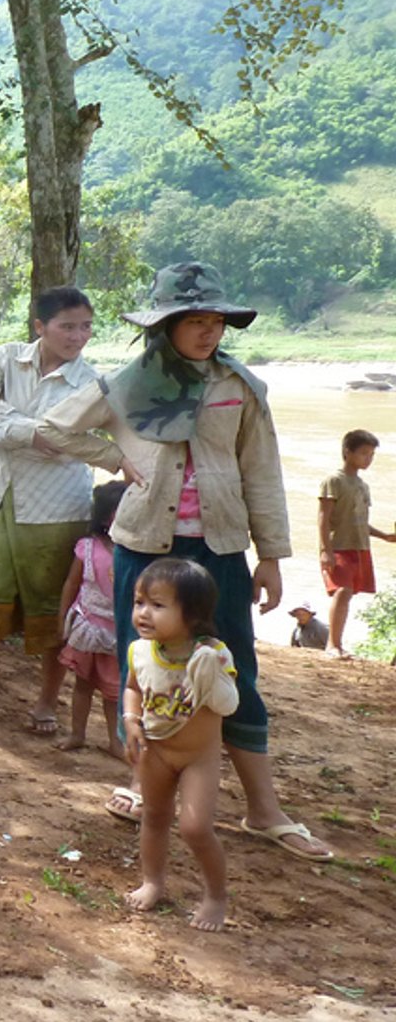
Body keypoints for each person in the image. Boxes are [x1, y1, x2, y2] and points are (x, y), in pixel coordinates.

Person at [39, 261, 333, 861]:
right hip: (144, 547)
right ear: (165, 325)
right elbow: (55, 427)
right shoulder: (124, 384)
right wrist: (115, 455)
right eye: (194, 321)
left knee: (233, 668)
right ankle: (140, 784)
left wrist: (272, 555)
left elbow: (262, 472)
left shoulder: (239, 386)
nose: (209, 332)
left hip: (220, 547)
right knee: (140, 664)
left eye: (217, 321)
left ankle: (262, 808)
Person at [0, 287, 102, 740]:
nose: (77, 336)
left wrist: (11, 427)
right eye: (67, 326)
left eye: (85, 326)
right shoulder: (7, 359)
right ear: (40, 326)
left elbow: (70, 440)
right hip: (2, 498)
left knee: (56, 608)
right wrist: (30, 434)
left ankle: (47, 702)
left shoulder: (91, 382)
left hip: (61, 506)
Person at [122, 557, 239, 932]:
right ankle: (153, 882)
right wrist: (131, 720)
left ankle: (216, 896)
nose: (144, 613)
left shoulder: (212, 654)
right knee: (153, 817)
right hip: (156, 749)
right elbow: (132, 688)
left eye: (158, 605)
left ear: (192, 614)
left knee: (195, 827)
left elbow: (226, 703)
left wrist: (213, 672)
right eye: (140, 603)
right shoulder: (140, 650)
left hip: (197, 758)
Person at [55, 481, 129, 757]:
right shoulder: (87, 547)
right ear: (105, 515)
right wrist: (61, 618)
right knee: (82, 685)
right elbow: (71, 584)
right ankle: (77, 733)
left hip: (118, 632)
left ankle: (116, 741)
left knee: (114, 692)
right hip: (88, 626)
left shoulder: (136, 552)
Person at [318, 428, 393, 659]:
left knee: (348, 594)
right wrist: (325, 551)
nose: (368, 459)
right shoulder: (334, 481)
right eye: (363, 453)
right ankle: (332, 645)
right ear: (347, 452)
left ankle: (338, 644)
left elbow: (360, 523)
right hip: (338, 546)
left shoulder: (363, 486)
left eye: (371, 455)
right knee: (342, 591)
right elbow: (323, 517)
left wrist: (385, 536)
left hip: (359, 547)